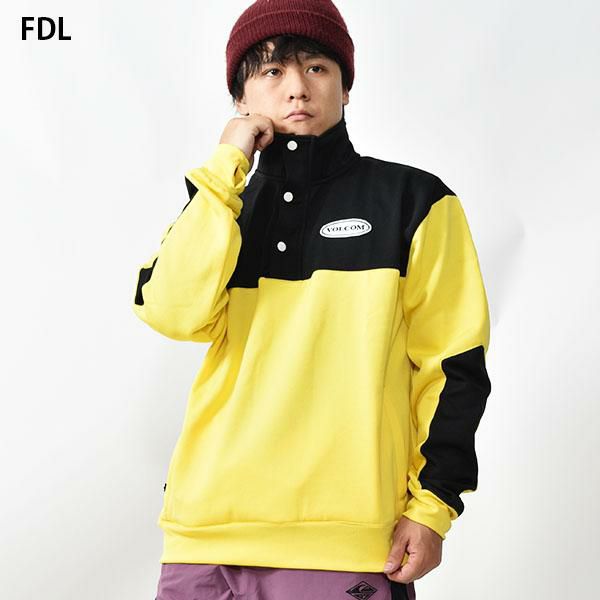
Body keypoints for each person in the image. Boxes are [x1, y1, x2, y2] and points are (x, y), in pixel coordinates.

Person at [132, 1, 492, 599]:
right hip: (203, 535)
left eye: (317, 67)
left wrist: (433, 507)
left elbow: (453, 367)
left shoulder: (414, 201)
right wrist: (226, 165)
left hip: (343, 541)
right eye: (272, 71)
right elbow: (169, 311)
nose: (297, 87)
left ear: (346, 87)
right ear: (241, 98)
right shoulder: (221, 208)